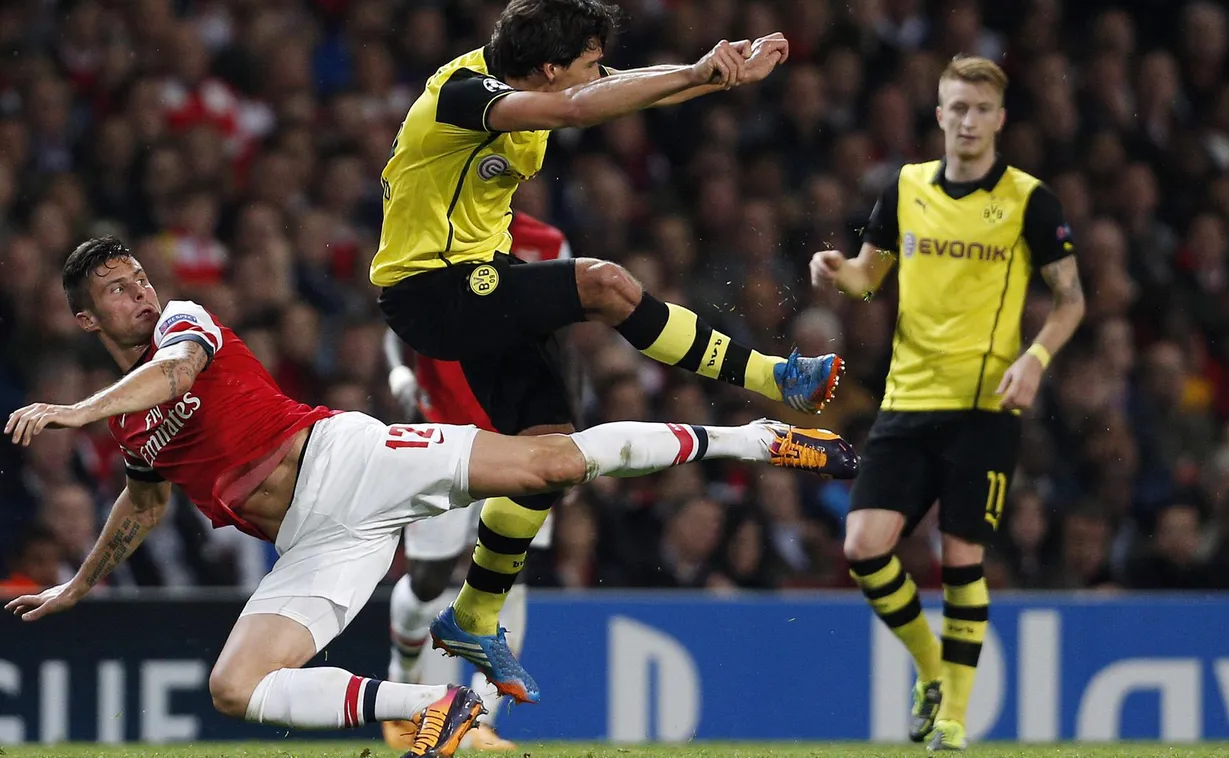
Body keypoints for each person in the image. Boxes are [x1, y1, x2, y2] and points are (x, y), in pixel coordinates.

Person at [5, 237, 857, 758]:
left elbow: (178, 371)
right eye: (117, 290)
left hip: (347, 459)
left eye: (138, 276)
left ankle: (754, 438)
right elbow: (143, 505)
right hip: (315, 543)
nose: (140, 292)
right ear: (86, 320)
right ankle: (434, 708)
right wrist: (79, 586)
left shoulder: (178, 326)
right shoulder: (128, 427)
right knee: (236, 689)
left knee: (548, 466)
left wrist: (72, 411)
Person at [373, 0, 844, 705]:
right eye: (588, 63)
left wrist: (719, 75)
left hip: (476, 283)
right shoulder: (462, 95)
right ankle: (776, 378)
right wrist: (692, 70)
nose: (598, 74)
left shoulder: (538, 84)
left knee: (548, 458)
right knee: (605, 284)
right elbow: (578, 110)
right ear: (549, 69)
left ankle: (473, 617)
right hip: (429, 290)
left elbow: (615, 87)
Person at [808, 56, 1085, 752]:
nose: (966, 120)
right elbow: (868, 280)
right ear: (938, 115)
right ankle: (931, 669)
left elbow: (1071, 299)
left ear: (999, 119)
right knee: (863, 548)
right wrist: (836, 272)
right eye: (954, 108)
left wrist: (1035, 359)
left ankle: (954, 721)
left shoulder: (1028, 200)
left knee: (961, 557)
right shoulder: (903, 188)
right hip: (906, 401)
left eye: (979, 109)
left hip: (983, 406)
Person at [381, 211, 573, 751]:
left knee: (511, 567)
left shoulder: (548, 240)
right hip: (444, 434)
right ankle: (404, 684)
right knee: (429, 577)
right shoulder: (437, 225)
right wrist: (399, 374)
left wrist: (568, 435)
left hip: (520, 435)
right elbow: (395, 321)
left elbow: (560, 343)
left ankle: (478, 719)